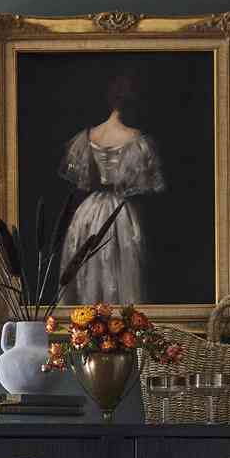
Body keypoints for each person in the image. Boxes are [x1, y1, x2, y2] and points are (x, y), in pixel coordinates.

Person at [57, 72, 164, 305]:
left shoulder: (91, 135)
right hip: (120, 210)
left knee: (94, 265)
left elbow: (83, 180)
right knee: (118, 265)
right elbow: (144, 186)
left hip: (89, 210)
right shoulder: (135, 138)